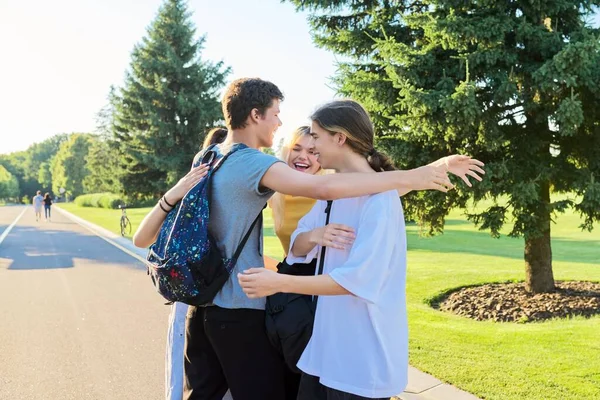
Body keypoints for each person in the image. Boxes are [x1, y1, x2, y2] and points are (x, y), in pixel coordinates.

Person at [133, 77, 476, 400]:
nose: (283, 126)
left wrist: (427, 171)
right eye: (276, 115)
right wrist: (418, 175)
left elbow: (141, 238)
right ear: (255, 115)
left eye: (314, 138)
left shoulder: (209, 156)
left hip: (204, 306)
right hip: (240, 306)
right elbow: (325, 189)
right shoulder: (256, 164)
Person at [238, 99, 485, 400]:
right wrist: (316, 235)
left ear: (339, 138)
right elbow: (298, 246)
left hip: (361, 365)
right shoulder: (334, 192)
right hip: (325, 355)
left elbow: (357, 281)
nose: (311, 147)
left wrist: (279, 282)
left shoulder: (380, 201)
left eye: (315, 136)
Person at [165, 126, 228, 400]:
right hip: (203, 295)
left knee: (193, 376)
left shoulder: (190, 194)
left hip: (189, 294)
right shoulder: (197, 196)